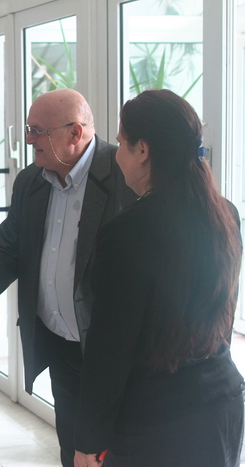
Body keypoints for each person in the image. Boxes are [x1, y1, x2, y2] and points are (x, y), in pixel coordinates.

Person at [0, 89, 135, 467]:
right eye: (28, 129)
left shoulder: (123, 176)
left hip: (111, 356)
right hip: (61, 350)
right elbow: (8, 248)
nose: (29, 139)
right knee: (73, 449)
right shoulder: (30, 181)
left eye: (37, 131)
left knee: (113, 453)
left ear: (75, 133)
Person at [74, 89, 244, 467]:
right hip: (221, 401)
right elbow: (222, 312)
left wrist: (88, 439)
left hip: (158, 421)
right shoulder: (226, 214)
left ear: (143, 150)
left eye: (121, 144)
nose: (117, 155)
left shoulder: (127, 232)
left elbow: (110, 348)